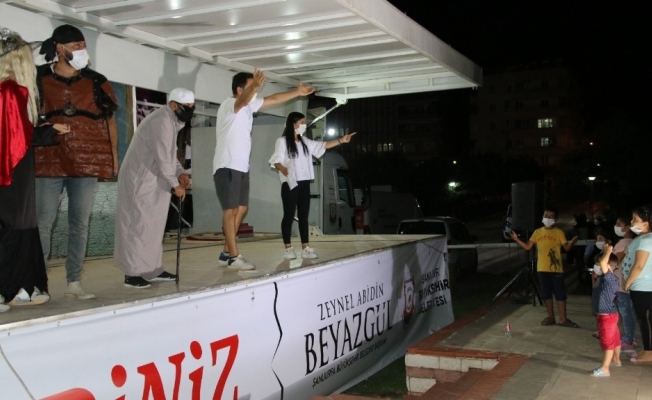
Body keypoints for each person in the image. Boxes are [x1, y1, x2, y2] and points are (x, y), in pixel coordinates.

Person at [35, 24, 119, 300]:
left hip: (86, 162)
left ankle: (74, 281)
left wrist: (113, 157)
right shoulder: (37, 78)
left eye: (84, 45)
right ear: (59, 48)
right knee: (43, 223)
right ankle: (37, 282)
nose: (82, 50)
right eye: (76, 45)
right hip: (48, 161)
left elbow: (109, 122)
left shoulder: (96, 81)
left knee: (80, 224)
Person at [213, 69, 314, 270]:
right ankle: (234, 257)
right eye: (252, 87)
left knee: (242, 209)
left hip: (241, 167)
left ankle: (225, 252)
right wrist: (254, 87)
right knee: (230, 210)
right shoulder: (229, 105)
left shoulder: (249, 107)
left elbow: (273, 98)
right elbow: (241, 101)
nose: (256, 92)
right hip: (227, 165)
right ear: (240, 89)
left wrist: (297, 92)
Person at [0, 28, 69, 312]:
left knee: (19, 226)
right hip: (12, 170)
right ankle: (10, 287)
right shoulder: (12, 91)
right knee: (16, 226)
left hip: (13, 168)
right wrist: (48, 131)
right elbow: (17, 138)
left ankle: (21, 285)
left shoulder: (9, 90)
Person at [114, 88, 192, 288]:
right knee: (137, 226)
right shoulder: (162, 121)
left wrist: (180, 173)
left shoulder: (172, 121)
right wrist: (175, 184)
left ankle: (152, 269)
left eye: (192, 107)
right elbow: (163, 158)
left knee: (154, 227)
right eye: (187, 107)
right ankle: (132, 273)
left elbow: (169, 155)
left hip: (154, 181)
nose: (190, 111)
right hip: (140, 181)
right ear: (173, 105)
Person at [269, 112, 356, 260]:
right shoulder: (282, 141)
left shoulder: (305, 141)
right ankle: (288, 248)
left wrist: (341, 140)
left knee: (303, 216)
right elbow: (276, 160)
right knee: (289, 215)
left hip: (304, 183)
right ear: (293, 124)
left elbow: (323, 145)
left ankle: (306, 248)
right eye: (302, 122)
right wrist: (282, 168)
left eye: (304, 122)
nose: (304, 125)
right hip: (290, 183)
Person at [511, 207, 579, 327]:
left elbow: (566, 248)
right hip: (542, 268)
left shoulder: (559, 232)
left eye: (551, 216)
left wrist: (572, 242)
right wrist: (517, 239)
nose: (547, 218)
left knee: (560, 294)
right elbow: (528, 246)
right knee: (546, 294)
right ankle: (550, 317)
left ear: (555, 220)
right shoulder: (537, 232)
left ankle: (563, 319)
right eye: (546, 216)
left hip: (556, 269)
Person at [622, 206, 652, 363]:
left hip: (644, 287)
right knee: (643, 319)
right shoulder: (642, 239)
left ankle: (649, 352)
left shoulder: (647, 240)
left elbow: (639, 265)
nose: (631, 222)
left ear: (646, 223)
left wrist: (628, 281)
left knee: (646, 319)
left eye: (635, 219)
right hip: (640, 286)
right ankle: (647, 349)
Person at [589, 245, 621, 377]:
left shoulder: (610, 279)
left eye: (598, 264)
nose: (597, 266)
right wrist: (605, 252)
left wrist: (608, 252)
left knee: (607, 342)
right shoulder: (603, 278)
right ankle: (616, 359)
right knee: (615, 338)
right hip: (608, 314)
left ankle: (605, 369)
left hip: (607, 316)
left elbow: (603, 263)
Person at [612, 213, 637, 353]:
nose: (616, 227)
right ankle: (629, 337)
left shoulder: (624, 243)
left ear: (627, 227)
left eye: (618, 224)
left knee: (625, 313)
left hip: (621, 285)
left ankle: (628, 340)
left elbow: (615, 261)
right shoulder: (633, 242)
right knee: (629, 313)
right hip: (628, 284)